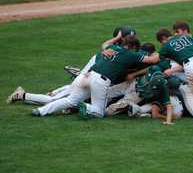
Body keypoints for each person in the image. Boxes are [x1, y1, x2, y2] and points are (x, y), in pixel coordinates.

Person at [29, 34, 158, 118]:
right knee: (99, 111)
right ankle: (85, 106)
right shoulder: (130, 54)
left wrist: (117, 37)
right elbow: (152, 60)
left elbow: (104, 44)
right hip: (100, 81)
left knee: (69, 101)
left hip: (86, 75)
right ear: (133, 46)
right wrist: (161, 51)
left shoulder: (112, 47)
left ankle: (40, 111)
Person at [7, 26, 136, 106]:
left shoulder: (111, 52)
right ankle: (22, 95)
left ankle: (26, 97)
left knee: (53, 98)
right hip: (81, 83)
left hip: (85, 81)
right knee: (53, 100)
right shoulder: (111, 55)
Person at [155, 28, 193, 101]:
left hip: (191, 67)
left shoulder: (166, 46)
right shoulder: (185, 37)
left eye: (161, 42)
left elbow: (157, 59)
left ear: (163, 38)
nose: (162, 44)